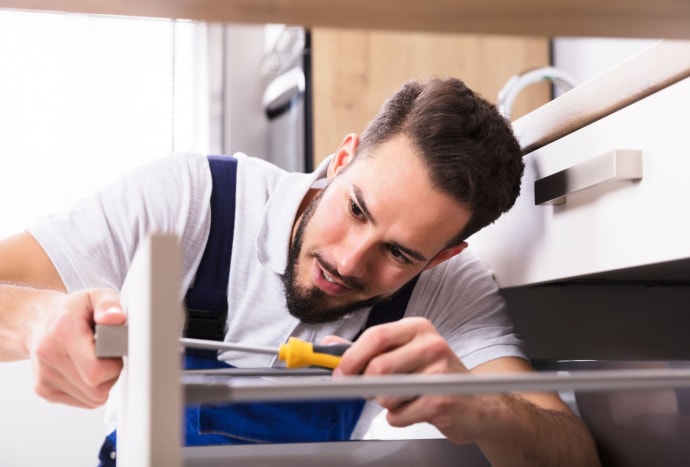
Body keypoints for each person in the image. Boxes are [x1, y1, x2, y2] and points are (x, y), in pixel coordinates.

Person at [0, 77, 600, 465]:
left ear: (442, 257)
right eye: (356, 209)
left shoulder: (449, 287)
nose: (347, 260)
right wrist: (35, 320)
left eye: (399, 253)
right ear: (340, 161)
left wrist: (482, 407)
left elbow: (573, 452)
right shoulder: (189, 200)